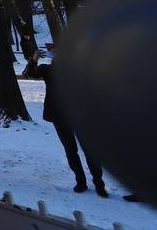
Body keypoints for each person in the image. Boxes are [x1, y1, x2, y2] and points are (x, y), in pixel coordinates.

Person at [38, 60, 108, 197]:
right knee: (70, 150)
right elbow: (30, 73)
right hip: (59, 116)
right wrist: (33, 60)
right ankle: (80, 181)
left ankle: (99, 184)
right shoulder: (49, 70)